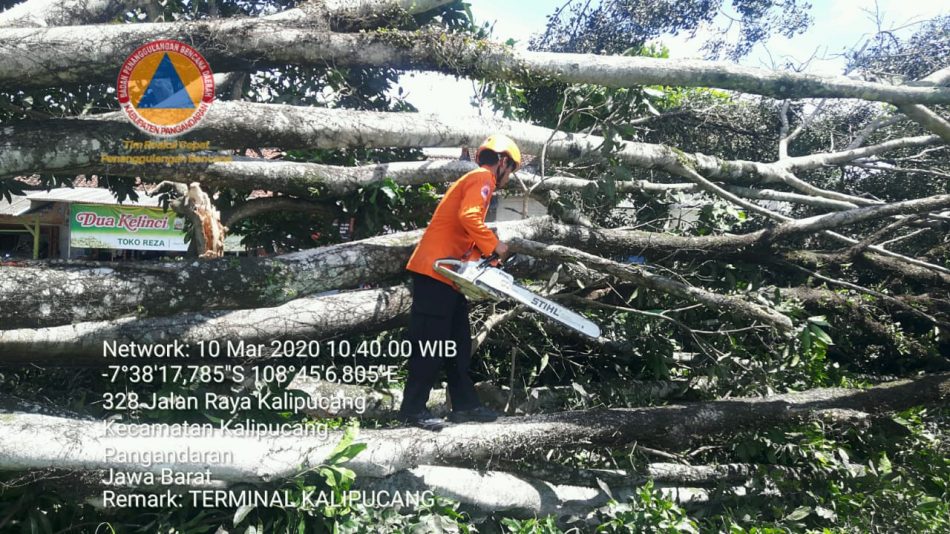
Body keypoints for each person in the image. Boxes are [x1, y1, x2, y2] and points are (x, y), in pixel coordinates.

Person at [397, 134, 521, 431]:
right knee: (430, 343)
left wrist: (484, 256)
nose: (509, 176)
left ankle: (464, 405)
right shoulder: (482, 178)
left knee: (458, 342)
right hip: (434, 274)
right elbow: (469, 218)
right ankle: (412, 410)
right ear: (503, 161)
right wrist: (496, 246)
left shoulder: (477, 180)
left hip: (449, 277)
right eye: (511, 168)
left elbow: (464, 232)